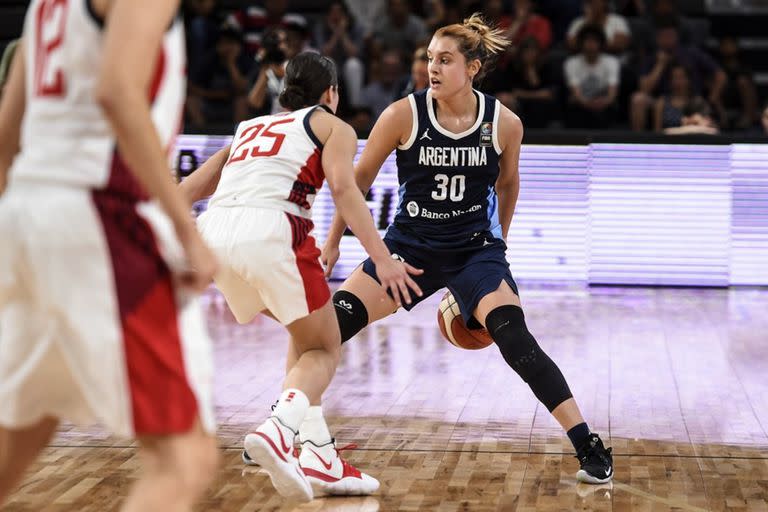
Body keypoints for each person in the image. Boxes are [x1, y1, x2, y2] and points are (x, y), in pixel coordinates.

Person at [321, 14, 614, 485]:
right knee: (331, 325)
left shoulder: (505, 123)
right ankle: (281, 423)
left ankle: (588, 443)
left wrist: (501, 242)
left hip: (475, 251)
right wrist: (334, 240)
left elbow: (509, 182)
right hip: (408, 249)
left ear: (473, 68)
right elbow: (356, 183)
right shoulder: (401, 114)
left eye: (445, 60)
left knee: (515, 338)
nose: (432, 68)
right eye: (430, 59)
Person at [0, 0, 219, 510]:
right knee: (184, 459)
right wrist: (187, 233)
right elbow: (117, 92)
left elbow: (7, 134)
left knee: (25, 425)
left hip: (29, 210)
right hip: (99, 213)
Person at [179, 52, 422, 501]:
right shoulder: (334, 126)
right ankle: (279, 431)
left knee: (304, 334)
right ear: (332, 92)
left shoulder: (249, 127)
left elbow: (190, 188)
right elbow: (345, 189)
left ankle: (320, 455)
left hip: (214, 234)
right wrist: (383, 258)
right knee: (323, 347)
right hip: (273, 231)